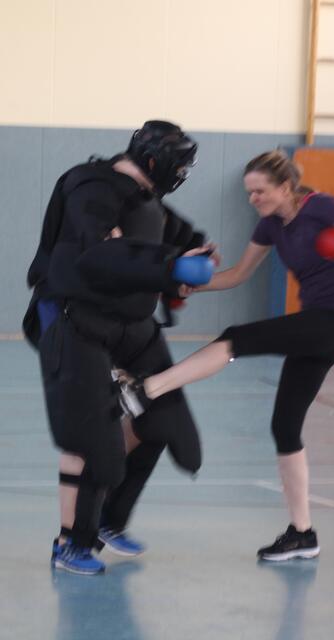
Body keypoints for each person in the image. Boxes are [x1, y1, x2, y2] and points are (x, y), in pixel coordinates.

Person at [123, 149, 334, 562]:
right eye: (249, 193)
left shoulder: (320, 206)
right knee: (285, 428)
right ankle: (302, 534)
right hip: (315, 324)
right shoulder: (270, 225)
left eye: (260, 191)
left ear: (285, 187)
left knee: (235, 337)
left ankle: (148, 390)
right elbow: (237, 274)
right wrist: (184, 286)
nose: (253, 199)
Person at [23, 120, 216, 575]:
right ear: (153, 161)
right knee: (93, 440)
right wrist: (169, 264)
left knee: (165, 424)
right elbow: (95, 254)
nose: (181, 177)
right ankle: (71, 543)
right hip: (75, 322)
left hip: (132, 324)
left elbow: (177, 238)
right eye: (179, 168)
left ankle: (109, 521)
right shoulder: (90, 188)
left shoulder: (146, 198)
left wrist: (196, 257)